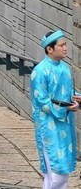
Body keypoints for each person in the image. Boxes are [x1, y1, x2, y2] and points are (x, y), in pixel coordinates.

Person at [31, 30, 79, 189]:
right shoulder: (39, 71)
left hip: (65, 124)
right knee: (56, 174)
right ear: (49, 49)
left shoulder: (65, 68)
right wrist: (66, 109)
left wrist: (76, 100)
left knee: (61, 173)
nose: (66, 48)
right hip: (48, 126)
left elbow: (68, 93)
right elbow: (42, 101)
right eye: (62, 45)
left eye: (65, 45)